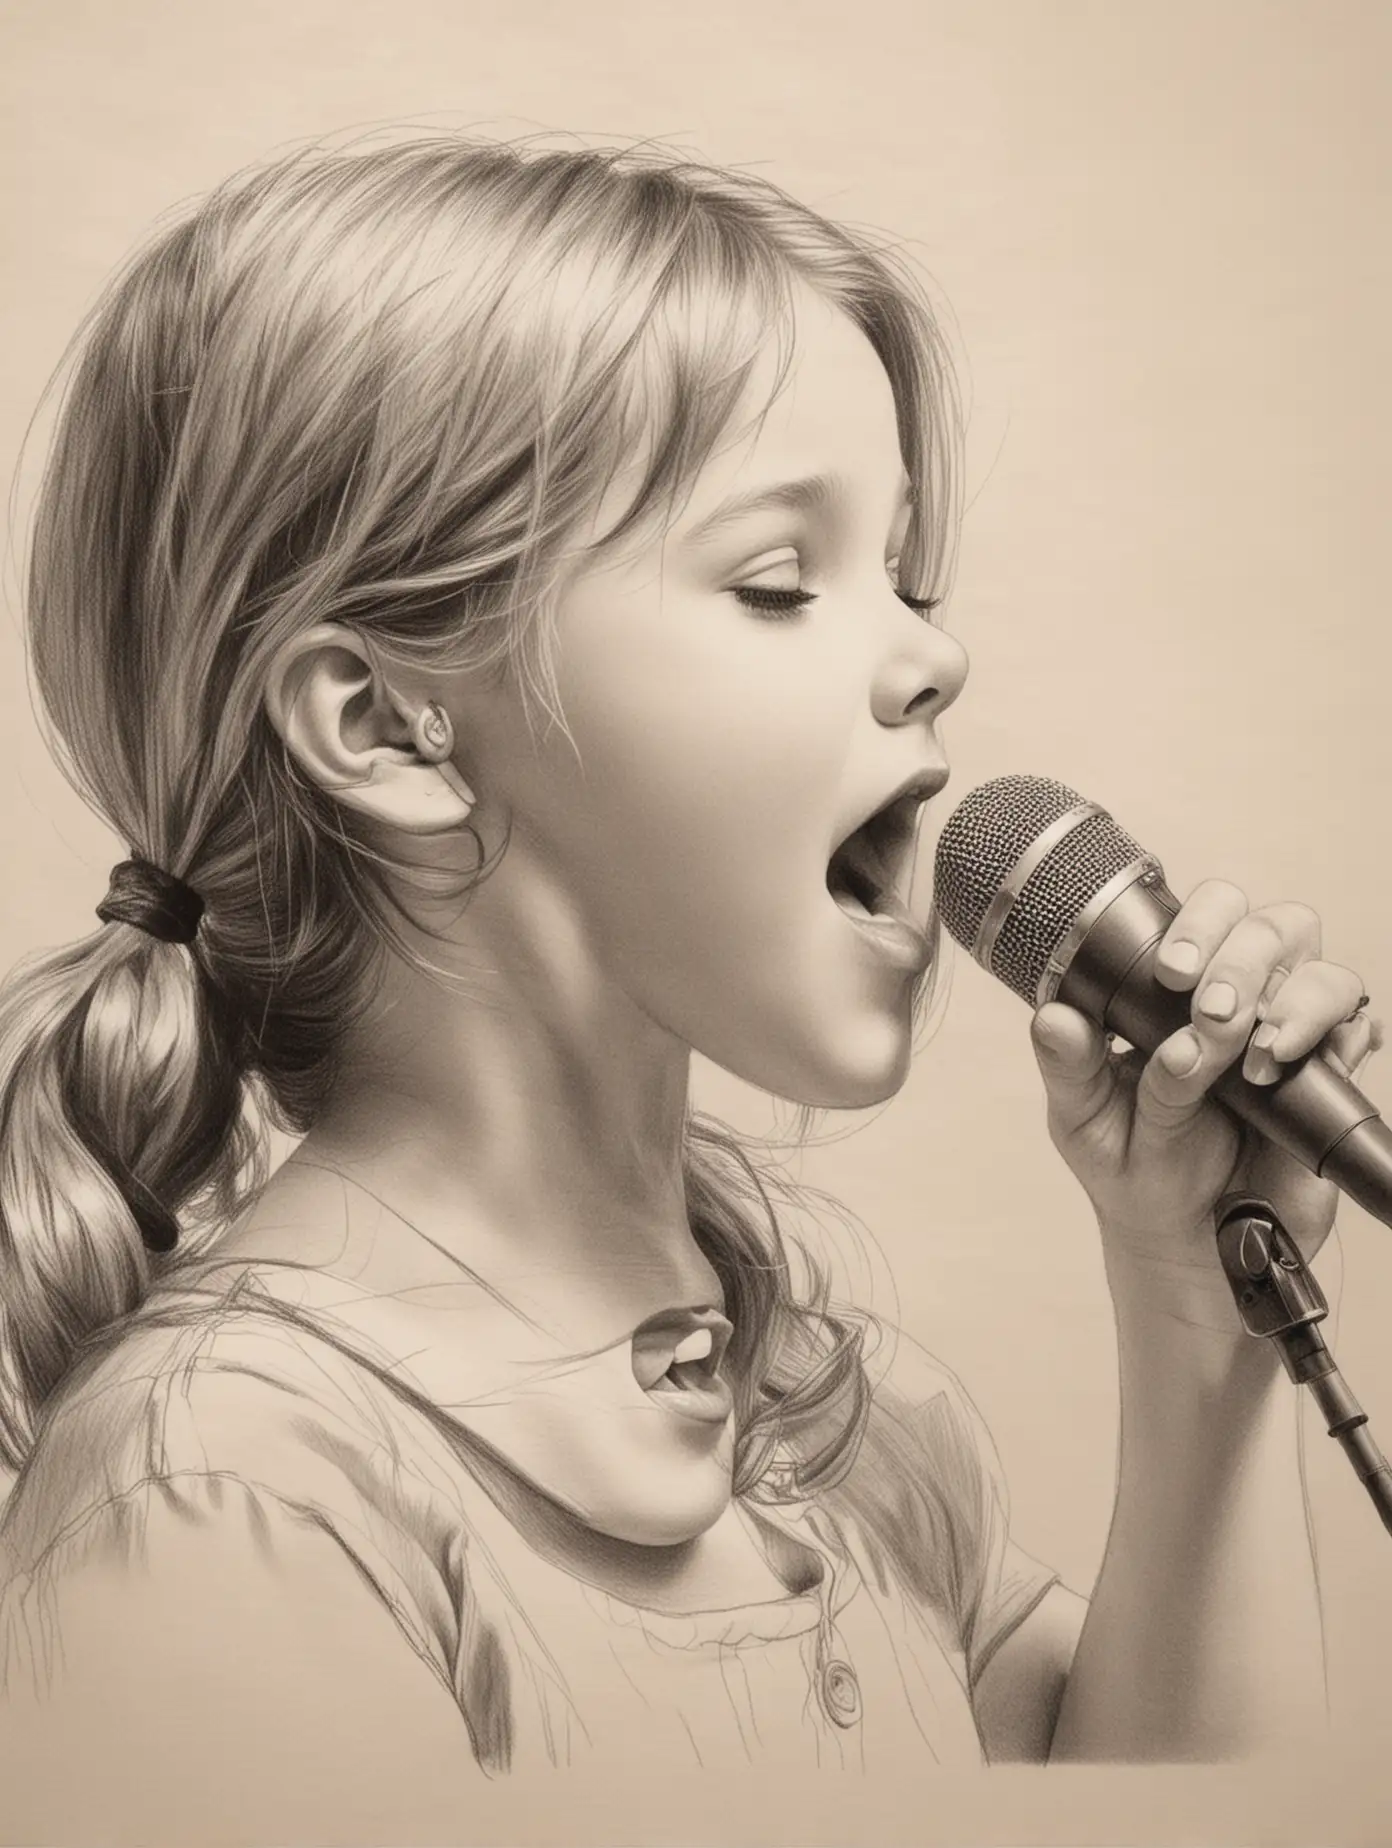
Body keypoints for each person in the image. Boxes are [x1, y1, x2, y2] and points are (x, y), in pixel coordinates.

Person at [0, 133, 1375, 1832]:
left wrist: (1193, 1308)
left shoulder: (842, 1430)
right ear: (383, 729)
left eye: (908, 574)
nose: (933, 652)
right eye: (779, 582)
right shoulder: (228, 1494)